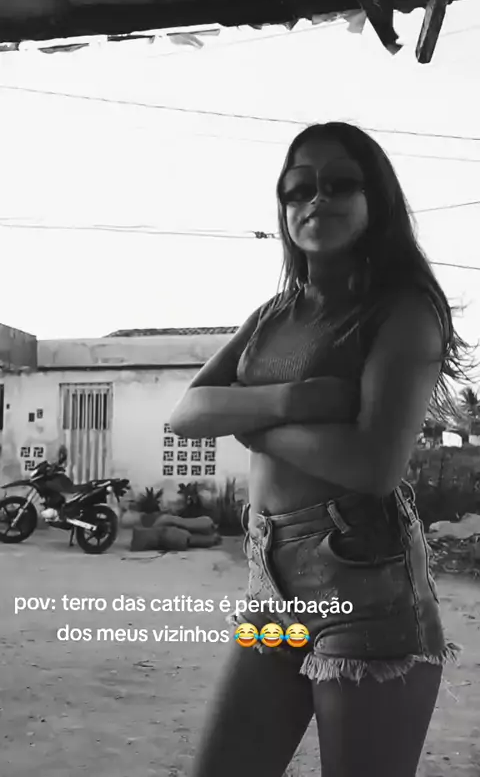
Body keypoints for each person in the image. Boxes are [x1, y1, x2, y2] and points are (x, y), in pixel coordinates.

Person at [170, 121, 470, 777]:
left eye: (339, 184)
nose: (316, 199)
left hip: (361, 576)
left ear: (375, 200)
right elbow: (187, 414)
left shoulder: (403, 310)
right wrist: (295, 399)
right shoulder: (273, 315)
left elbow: (373, 465)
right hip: (269, 578)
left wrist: (247, 422)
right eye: (298, 189)